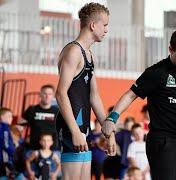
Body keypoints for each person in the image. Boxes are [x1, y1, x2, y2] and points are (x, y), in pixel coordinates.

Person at [104, 29, 176, 180]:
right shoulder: (156, 73)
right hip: (162, 142)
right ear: (170, 49)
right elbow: (130, 95)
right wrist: (112, 118)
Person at [55, 2, 116, 179]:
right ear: (92, 25)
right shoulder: (73, 51)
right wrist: (74, 131)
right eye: (104, 25)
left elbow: (94, 96)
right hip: (71, 124)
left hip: (83, 125)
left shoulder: (88, 53)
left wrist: (108, 130)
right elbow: (60, 93)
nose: (106, 30)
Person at [23, 84, 59, 150]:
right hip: (33, 148)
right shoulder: (32, 109)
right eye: (44, 93)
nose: (47, 96)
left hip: (53, 150)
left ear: (53, 96)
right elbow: (20, 125)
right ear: (40, 95)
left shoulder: (57, 111)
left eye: (50, 94)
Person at [0, 107, 15, 179]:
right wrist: (14, 153)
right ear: (2, 117)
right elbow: (5, 145)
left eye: (11, 116)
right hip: (4, 159)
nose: (11, 118)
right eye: (9, 116)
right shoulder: (4, 128)